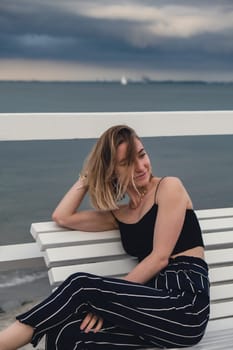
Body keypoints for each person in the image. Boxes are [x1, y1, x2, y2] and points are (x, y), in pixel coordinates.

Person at [0, 125, 209, 349]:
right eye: (126, 163)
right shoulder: (120, 216)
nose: (140, 167)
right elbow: (62, 216)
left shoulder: (169, 187)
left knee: (80, 285)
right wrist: (91, 174)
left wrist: (107, 299)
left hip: (184, 304)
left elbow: (159, 257)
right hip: (148, 307)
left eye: (142, 155)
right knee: (66, 336)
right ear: (111, 170)